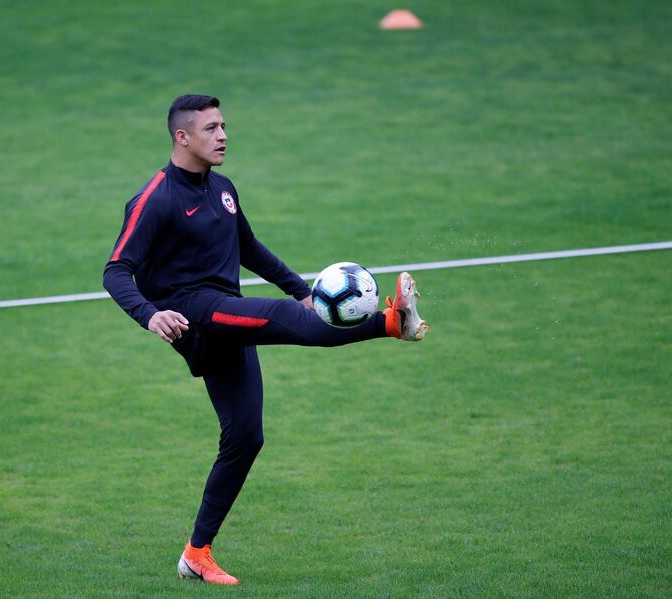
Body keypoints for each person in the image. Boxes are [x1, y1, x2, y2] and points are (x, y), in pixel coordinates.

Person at [103, 94, 429, 586]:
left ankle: (196, 553)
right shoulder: (155, 199)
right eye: (212, 128)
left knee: (245, 437)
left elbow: (248, 249)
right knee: (278, 316)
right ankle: (389, 323)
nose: (223, 136)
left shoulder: (224, 189)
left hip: (224, 317)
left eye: (224, 126)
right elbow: (115, 272)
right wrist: (150, 316)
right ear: (182, 137)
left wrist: (302, 292)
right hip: (193, 313)